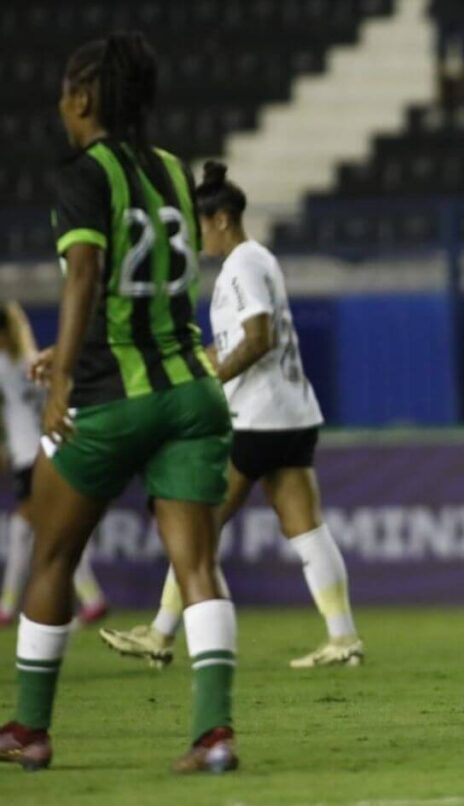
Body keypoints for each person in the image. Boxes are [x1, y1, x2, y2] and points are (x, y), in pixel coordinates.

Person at [0, 32, 238, 772]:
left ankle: (29, 731)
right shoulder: (172, 171)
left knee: (52, 548)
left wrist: (64, 378)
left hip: (113, 401)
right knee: (196, 564)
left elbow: (86, 276)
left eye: (67, 91)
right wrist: (71, 352)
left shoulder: (84, 173)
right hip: (191, 393)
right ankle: (214, 735)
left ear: (82, 98)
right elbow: (155, 285)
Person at [100, 162, 362, 670]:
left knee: (197, 523)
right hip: (294, 414)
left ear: (221, 219)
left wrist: (212, 377)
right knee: (306, 529)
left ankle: (159, 633)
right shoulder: (261, 259)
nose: (197, 240)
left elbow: (258, 337)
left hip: (256, 418)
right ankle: (343, 637)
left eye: (199, 227)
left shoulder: (242, 264)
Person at [0, 302, 108, 627]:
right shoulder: (38, 362)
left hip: (26, 457)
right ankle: (91, 598)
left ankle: (8, 607)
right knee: (47, 530)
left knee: (35, 532)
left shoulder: (4, 365)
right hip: (53, 451)